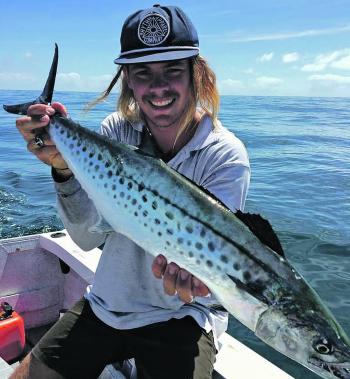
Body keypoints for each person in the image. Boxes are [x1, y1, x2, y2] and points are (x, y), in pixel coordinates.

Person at [11, 4, 250, 379]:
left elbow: (209, 270)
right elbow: (87, 238)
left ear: (196, 73)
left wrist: (198, 281)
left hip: (182, 315)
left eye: (172, 70)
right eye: (142, 74)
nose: (158, 88)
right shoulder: (117, 131)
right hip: (109, 301)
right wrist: (63, 169)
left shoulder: (224, 156)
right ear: (128, 80)